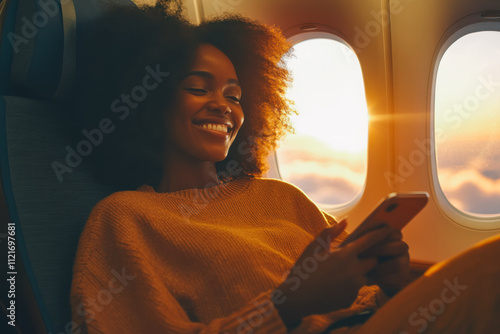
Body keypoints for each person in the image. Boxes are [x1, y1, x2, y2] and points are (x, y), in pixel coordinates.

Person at [70, 1, 500, 333]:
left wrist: (393, 280)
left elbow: (364, 295)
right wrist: (287, 306)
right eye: (198, 88)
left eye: (236, 96)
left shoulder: (280, 196)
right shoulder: (124, 219)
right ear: (148, 101)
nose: (223, 105)